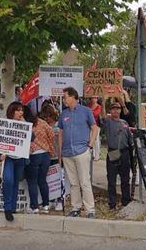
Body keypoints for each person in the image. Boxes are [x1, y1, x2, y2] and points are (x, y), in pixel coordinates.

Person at [58, 87, 99, 218]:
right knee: (74, 183)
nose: (64, 100)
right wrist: (60, 153)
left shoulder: (86, 111)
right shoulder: (63, 114)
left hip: (82, 151)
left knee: (84, 181)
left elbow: (95, 128)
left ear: (73, 97)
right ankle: (76, 208)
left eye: (65, 97)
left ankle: (90, 209)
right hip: (67, 153)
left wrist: (90, 145)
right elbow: (60, 133)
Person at [101, 101, 133, 210]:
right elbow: (103, 116)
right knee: (112, 179)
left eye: (118, 108)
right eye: (113, 108)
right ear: (110, 110)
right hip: (113, 152)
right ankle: (112, 203)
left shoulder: (124, 123)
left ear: (120, 110)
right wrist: (104, 100)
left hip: (124, 153)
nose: (116, 110)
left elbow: (130, 139)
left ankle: (126, 201)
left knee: (125, 179)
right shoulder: (108, 122)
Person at [24, 105, 54, 214]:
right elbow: (51, 133)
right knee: (42, 181)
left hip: (33, 155)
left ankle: (34, 207)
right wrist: (50, 148)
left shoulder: (24, 124)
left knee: (32, 182)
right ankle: (46, 205)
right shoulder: (41, 122)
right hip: (45, 155)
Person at [2, 101, 26, 221]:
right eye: (18, 110)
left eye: (22, 110)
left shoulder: (24, 123)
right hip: (8, 158)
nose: (21, 112)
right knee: (8, 180)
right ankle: (7, 208)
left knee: (15, 182)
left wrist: (25, 126)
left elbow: (31, 138)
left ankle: (12, 207)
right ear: (12, 112)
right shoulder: (5, 124)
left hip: (20, 158)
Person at [88, 96, 102, 161]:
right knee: (91, 139)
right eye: (93, 97)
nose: (94, 99)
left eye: (95, 98)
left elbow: (96, 114)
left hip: (96, 125)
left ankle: (97, 155)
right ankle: (92, 155)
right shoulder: (88, 106)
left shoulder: (99, 107)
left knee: (96, 140)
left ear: (97, 99)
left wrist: (91, 112)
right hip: (89, 125)